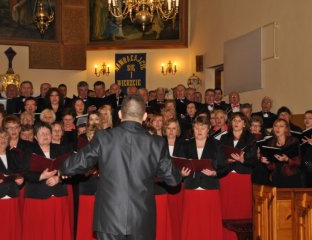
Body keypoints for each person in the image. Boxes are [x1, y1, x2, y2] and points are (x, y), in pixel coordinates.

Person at [60, 94, 182, 240]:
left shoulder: (103, 137)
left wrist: (64, 168)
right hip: (141, 220)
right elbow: (174, 180)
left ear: (119, 114)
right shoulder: (156, 143)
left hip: (109, 218)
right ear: (144, 116)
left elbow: (71, 166)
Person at [22, 122, 73, 240]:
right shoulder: (29, 152)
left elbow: (70, 170)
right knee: (40, 232)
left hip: (58, 196)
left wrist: (58, 178)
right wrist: (41, 176)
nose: (45, 136)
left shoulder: (61, 149)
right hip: (37, 197)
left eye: (48, 133)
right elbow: (23, 173)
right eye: (42, 133)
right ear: (35, 137)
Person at [180, 116, 224, 240]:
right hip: (191, 188)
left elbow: (224, 167)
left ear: (208, 129)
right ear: (193, 128)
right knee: (192, 223)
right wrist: (182, 173)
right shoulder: (185, 145)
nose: (199, 130)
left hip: (210, 188)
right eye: (197, 127)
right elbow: (179, 164)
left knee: (209, 224)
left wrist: (215, 173)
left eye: (203, 127)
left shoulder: (216, 144)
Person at [219, 112, 257, 240]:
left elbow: (253, 161)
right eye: (234, 120)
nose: (236, 123)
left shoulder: (250, 139)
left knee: (241, 209)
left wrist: (242, 160)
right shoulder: (224, 138)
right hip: (226, 177)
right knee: (226, 209)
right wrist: (226, 160)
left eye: (239, 120)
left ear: (244, 124)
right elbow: (218, 157)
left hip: (242, 177)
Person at [0, 128, 24, 240]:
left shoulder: (14, 155)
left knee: (12, 231)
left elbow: (20, 172)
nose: (3, 139)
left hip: (12, 196)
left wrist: (21, 180)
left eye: (5, 137)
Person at [260, 119, 302, 188]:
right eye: (275, 126)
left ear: (286, 129)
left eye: (281, 126)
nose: (278, 128)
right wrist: (266, 162)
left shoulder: (293, 141)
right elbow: (271, 167)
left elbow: (298, 162)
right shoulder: (271, 142)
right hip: (277, 177)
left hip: (291, 177)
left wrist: (287, 159)